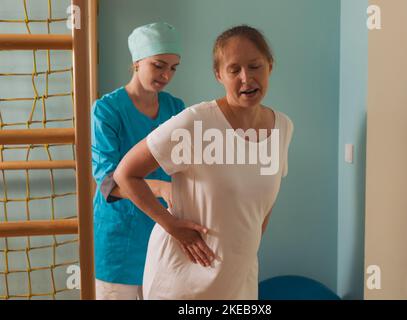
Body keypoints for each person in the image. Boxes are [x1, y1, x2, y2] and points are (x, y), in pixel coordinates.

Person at [114, 25, 294, 299]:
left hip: (237, 278)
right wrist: (170, 225)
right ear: (219, 75)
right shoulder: (197, 122)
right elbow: (125, 174)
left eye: (255, 66)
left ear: (270, 66)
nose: (246, 78)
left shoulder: (283, 127)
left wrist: (243, 248)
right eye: (234, 70)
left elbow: (262, 203)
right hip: (182, 280)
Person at [91, 22, 185, 300]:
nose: (166, 75)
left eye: (173, 68)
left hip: (166, 230)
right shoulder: (106, 110)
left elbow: (187, 165)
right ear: (136, 61)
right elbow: (108, 181)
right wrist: (158, 188)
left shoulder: (176, 108)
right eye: (158, 65)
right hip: (120, 239)